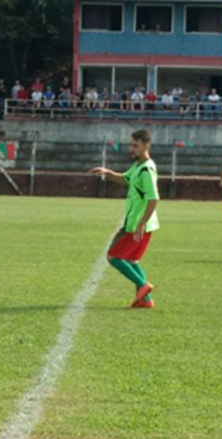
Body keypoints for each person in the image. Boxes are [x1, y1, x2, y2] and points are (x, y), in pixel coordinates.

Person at [88, 129, 159, 309]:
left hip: (138, 224)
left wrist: (140, 225)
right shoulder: (137, 167)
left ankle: (143, 286)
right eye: (130, 145)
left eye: (136, 146)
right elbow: (125, 179)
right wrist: (107, 172)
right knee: (131, 260)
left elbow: (154, 199)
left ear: (146, 146)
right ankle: (147, 300)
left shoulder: (146, 169)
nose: (131, 149)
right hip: (137, 222)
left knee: (113, 256)